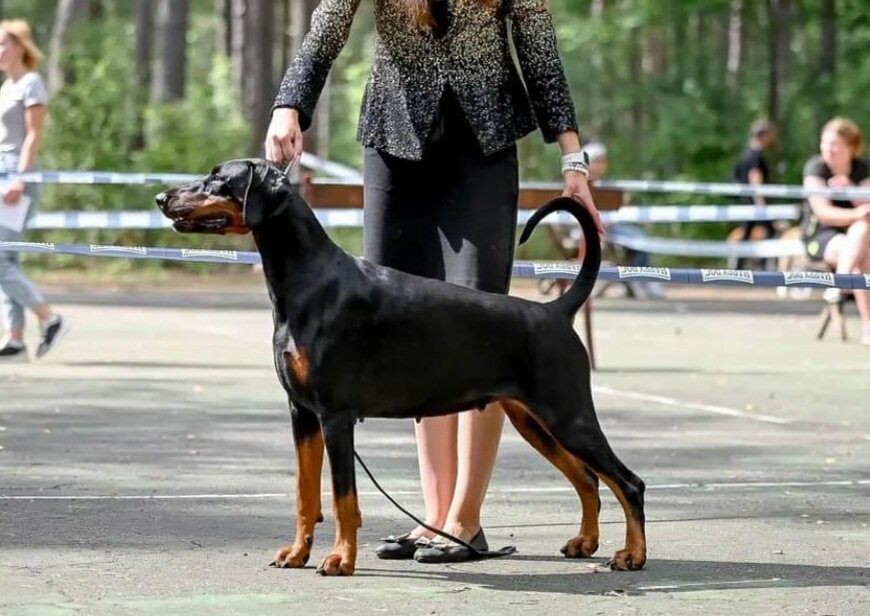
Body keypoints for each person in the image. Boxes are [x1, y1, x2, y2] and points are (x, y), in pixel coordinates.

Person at [265, 0, 604, 563]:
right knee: (406, 326)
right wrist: (288, 105)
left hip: (484, 143)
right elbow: (327, 24)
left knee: (484, 324)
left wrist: (574, 161)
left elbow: (538, 44)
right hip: (396, 142)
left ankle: (465, 520)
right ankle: (434, 514)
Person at [0, 20, 67, 362]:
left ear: (20, 47)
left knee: (0, 258)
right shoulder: (5, 87)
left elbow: (32, 136)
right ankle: (14, 338)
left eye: (3, 44)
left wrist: (21, 178)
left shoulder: (31, 83)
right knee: (6, 257)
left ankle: (50, 318)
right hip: (1, 172)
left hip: (17, 175)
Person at [801, 117, 870, 346]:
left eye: (835, 144)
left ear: (851, 147)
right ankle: (867, 324)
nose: (828, 149)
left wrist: (849, 190)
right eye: (824, 143)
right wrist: (855, 215)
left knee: (861, 237)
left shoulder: (862, 170)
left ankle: (838, 284)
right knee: (861, 248)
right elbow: (823, 212)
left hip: (857, 237)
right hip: (821, 237)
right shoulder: (815, 168)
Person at [731, 120, 778, 269]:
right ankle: (761, 265)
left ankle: (739, 267)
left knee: (746, 234)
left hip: (746, 201)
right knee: (770, 231)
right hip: (754, 203)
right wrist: (760, 202)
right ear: (763, 135)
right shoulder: (756, 155)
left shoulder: (745, 153)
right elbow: (755, 178)